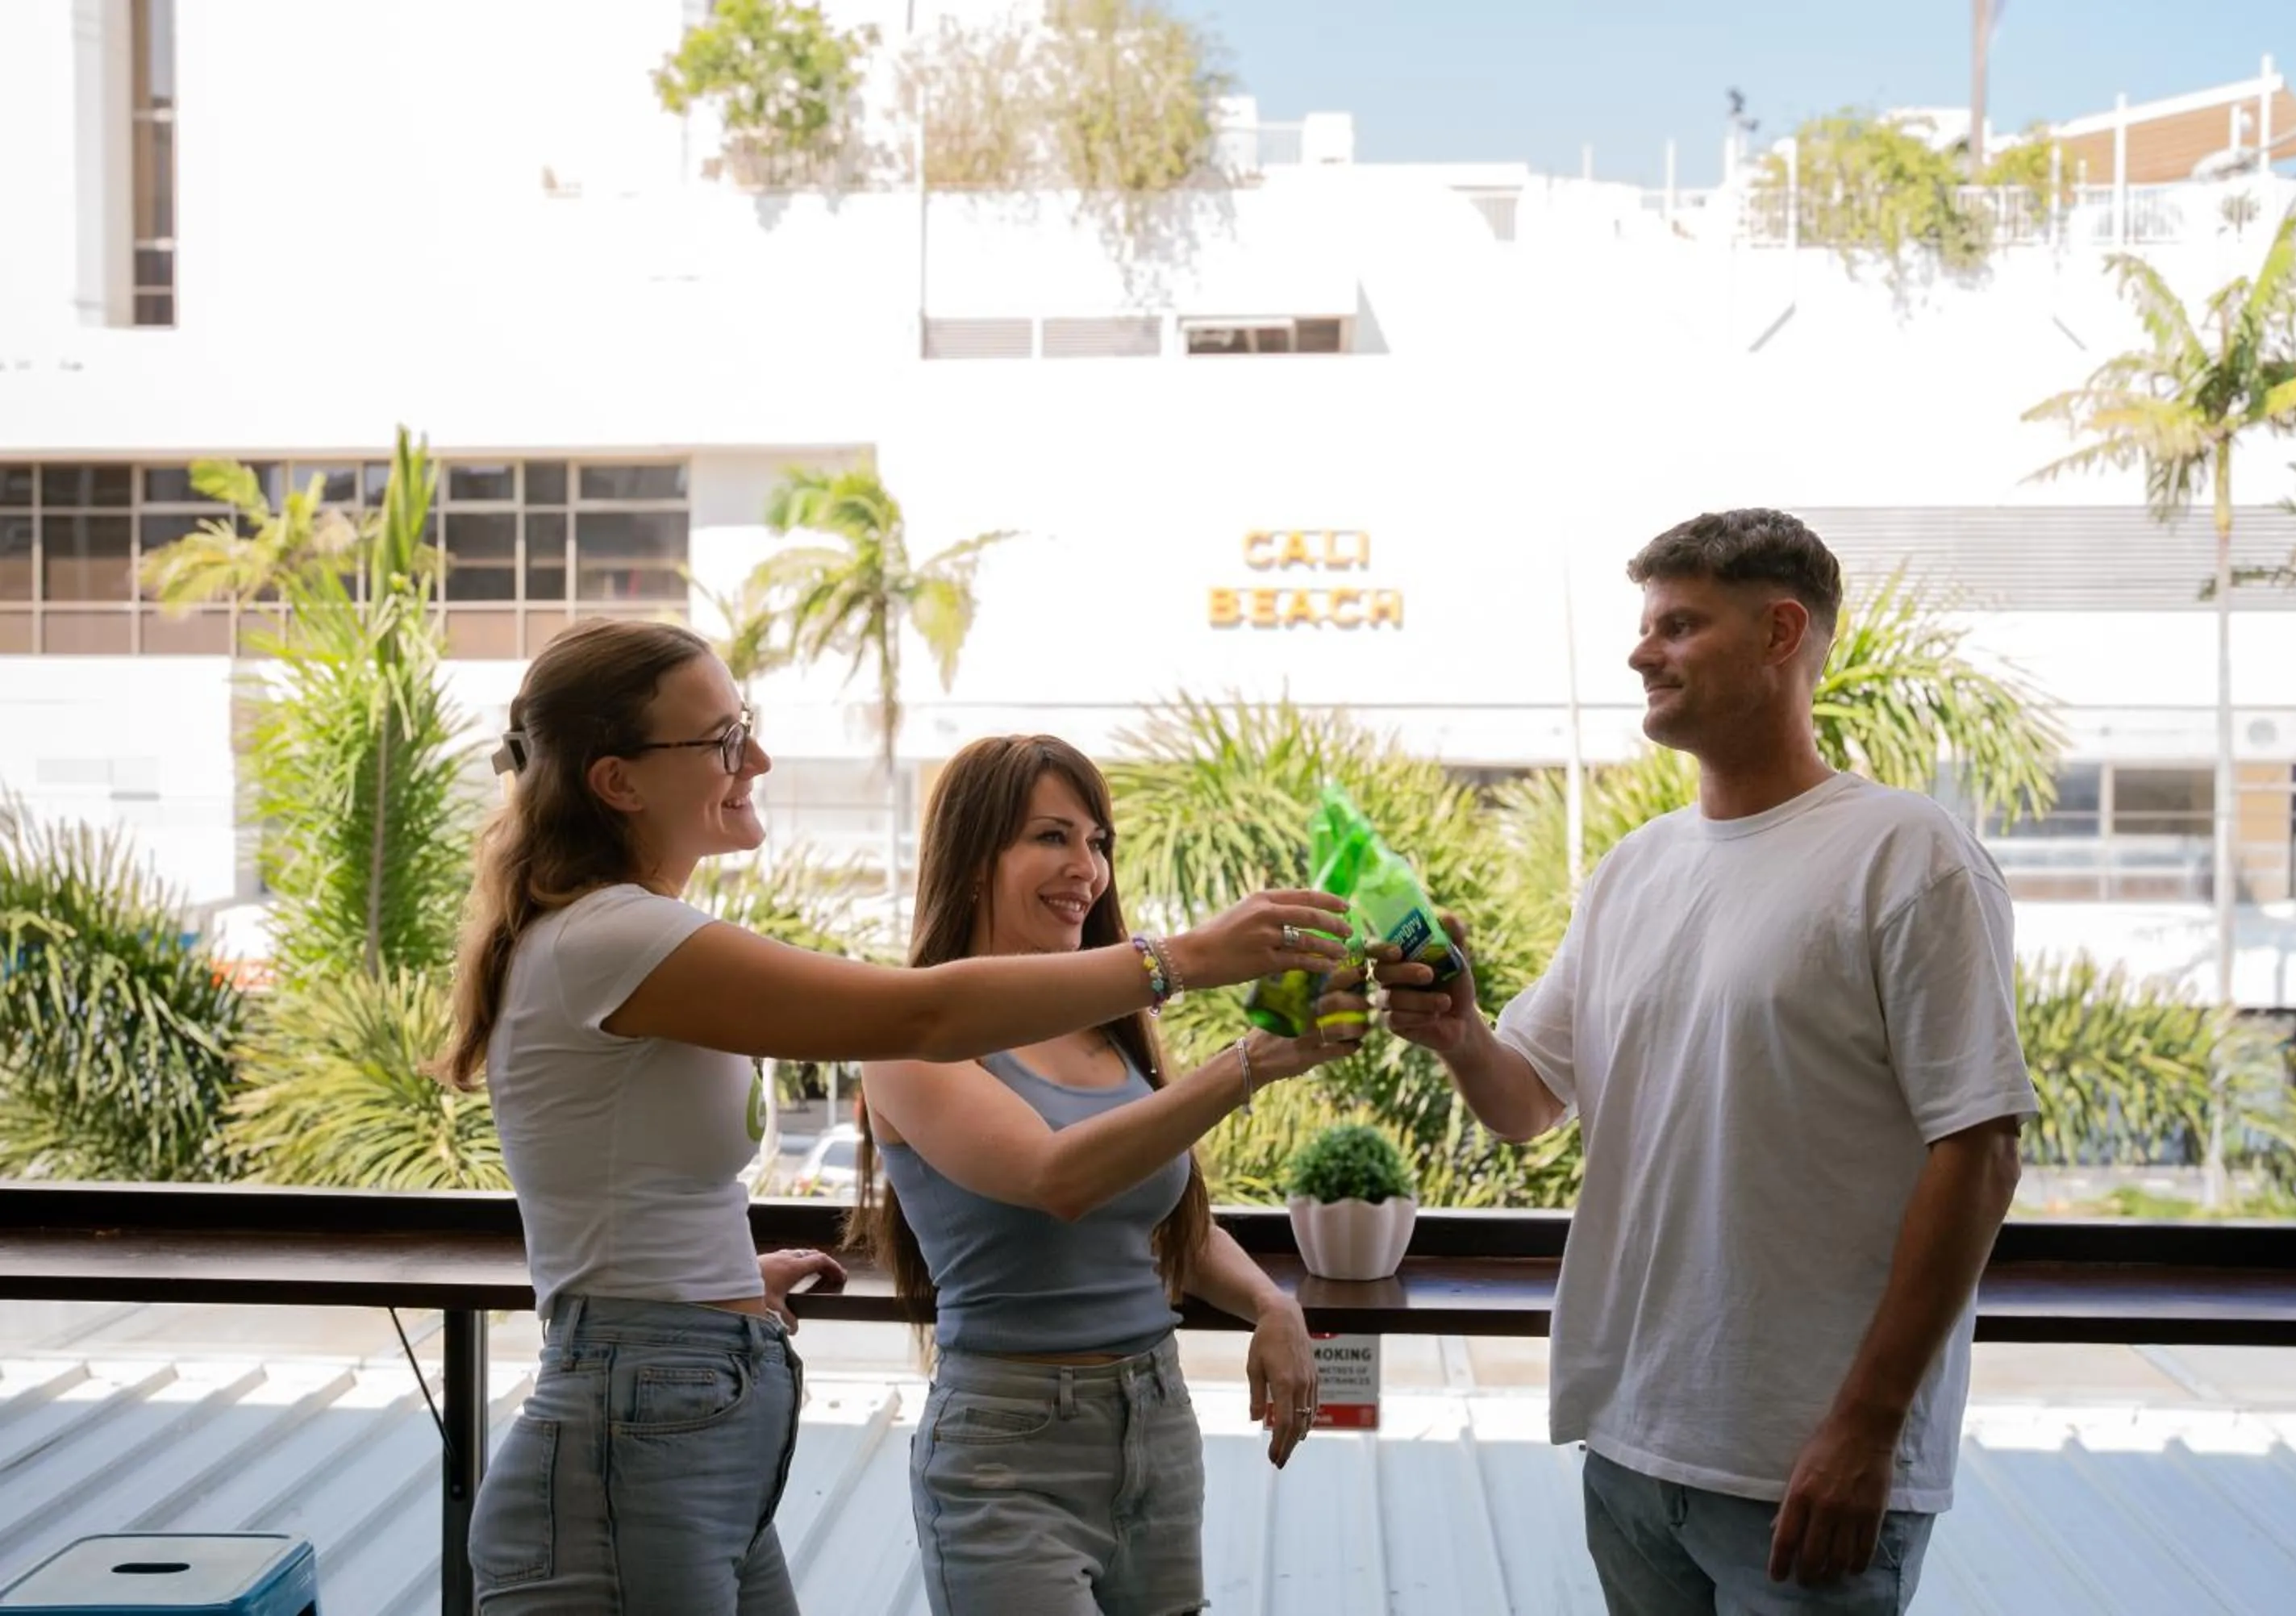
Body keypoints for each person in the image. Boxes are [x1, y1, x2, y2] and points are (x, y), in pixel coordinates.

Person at [435, 621, 1349, 1616]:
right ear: (619, 782)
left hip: (691, 1404)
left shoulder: (619, 937)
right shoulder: (616, 937)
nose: (758, 759)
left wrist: (719, 1286)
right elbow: (924, 1018)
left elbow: (623, 1179)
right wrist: (1192, 963)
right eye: (725, 739)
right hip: (642, 1420)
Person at [1375, 510, 2034, 1615]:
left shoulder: (1907, 855)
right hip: (1631, 1447)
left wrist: (1867, 1427)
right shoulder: (1634, 870)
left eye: (1679, 625)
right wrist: (1459, 1033)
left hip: (1808, 1472)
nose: (1642, 653)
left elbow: (1981, 1153)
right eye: (1647, 626)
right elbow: (1529, 1100)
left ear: (1781, 633)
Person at [850, 733, 1370, 1616]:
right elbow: (1059, 1180)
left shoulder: (1111, 1031)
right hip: (1009, 1445)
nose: (1085, 869)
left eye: (1097, 842)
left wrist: (1272, 1304)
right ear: (973, 858)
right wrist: (1248, 1063)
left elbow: (1162, 1222)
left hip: (1157, 1419)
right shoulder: (909, 1036)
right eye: (1051, 837)